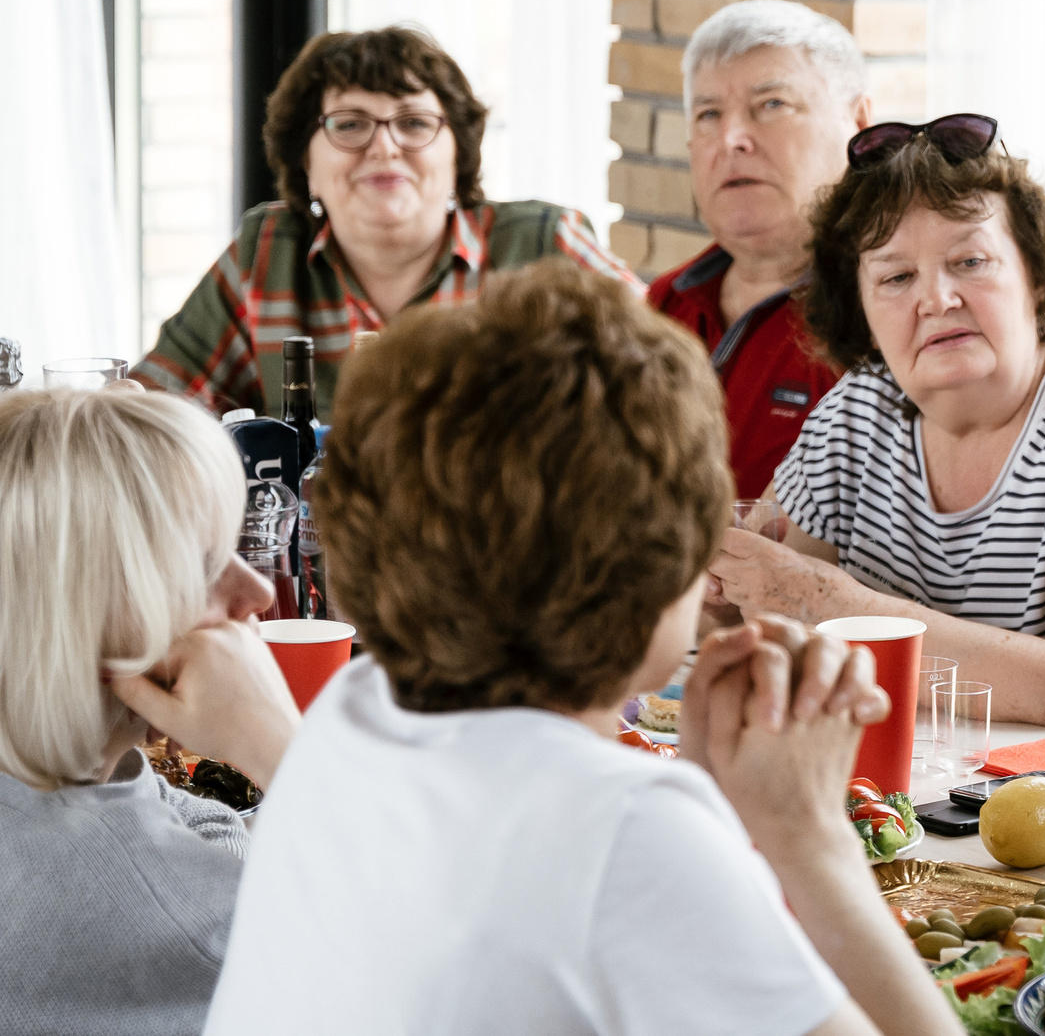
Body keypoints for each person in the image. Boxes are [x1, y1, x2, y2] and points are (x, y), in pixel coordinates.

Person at [205, 261, 956, 1036]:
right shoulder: (628, 829)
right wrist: (812, 839)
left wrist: (708, 800)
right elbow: (611, 863)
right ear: (661, 557)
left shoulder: (349, 718)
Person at [710, 116, 1045, 766]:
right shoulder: (857, 412)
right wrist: (716, 591)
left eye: (970, 261)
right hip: (937, 814)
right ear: (861, 310)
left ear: (1039, 279)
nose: (937, 297)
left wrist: (836, 608)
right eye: (895, 276)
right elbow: (765, 604)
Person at [0, 389, 301, 1036]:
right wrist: (281, 743)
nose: (258, 590)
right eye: (206, 564)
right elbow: (423, 949)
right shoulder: (197, 923)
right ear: (83, 618)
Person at [132, 26, 637, 417]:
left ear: (457, 157)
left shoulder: (546, 246)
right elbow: (153, 414)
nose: (384, 147)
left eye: (414, 123)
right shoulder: (266, 255)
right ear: (305, 162)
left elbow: (667, 379)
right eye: (350, 125)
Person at [648, 0, 873, 498]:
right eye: (708, 114)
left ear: (858, 123)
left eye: (772, 105)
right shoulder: (667, 304)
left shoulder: (888, 309)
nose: (732, 138)